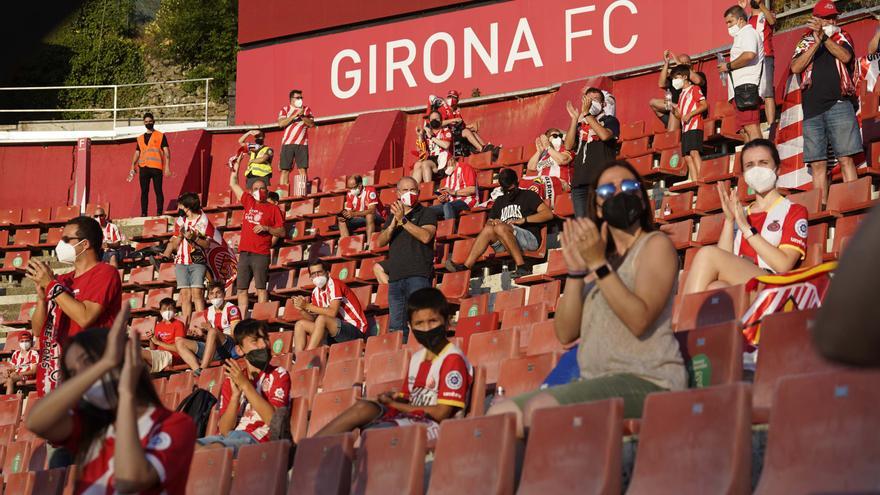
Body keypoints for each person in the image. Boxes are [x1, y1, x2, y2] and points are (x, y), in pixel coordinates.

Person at [486, 159, 686, 437]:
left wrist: (598, 265)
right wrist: (578, 272)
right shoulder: (598, 258)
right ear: (598, 206)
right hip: (596, 381)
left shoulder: (655, 246)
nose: (620, 194)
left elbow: (640, 320)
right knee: (500, 415)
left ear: (641, 194)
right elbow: (566, 332)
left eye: (628, 186)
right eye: (608, 191)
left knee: (542, 409)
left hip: (649, 379)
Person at [27, 306, 196, 494]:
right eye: (74, 373)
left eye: (88, 362)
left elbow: (130, 480)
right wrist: (104, 364)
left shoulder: (174, 424)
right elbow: (36, 422)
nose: (84, 376)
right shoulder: (89, 423)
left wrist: (125, 394)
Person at [314, 287, 472, 439]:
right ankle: (304, 450)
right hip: (413, 417)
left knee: (376, 432)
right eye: (419, 324)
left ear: (447, 322)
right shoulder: (418, 358)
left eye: (433, 321)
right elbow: (407, 398)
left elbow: (441, 413)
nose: (426, 329)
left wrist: (394, 405)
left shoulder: (452, 359)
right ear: (410, 326)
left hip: (437, 426)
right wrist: (390, 398)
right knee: (364, 408)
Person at [683, 139, 808, 294]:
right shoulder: (739, 212)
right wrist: (729, 221)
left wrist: (747, 229)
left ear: (777, 169)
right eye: (750, 165)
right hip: (742, 285)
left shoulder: (793, 210)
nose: (756, 170)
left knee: (707, 253)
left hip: (772, 284)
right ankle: (690, 315)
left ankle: (681, 315)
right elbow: (724, 259)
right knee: (715, 288)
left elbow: (783, 265)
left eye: (763, 163)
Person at [26, 216, 123, 395]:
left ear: (85, 244)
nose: (60, 245)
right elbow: (38, 331)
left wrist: (52, 287)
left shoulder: (105, 273)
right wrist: (41, 299)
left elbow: (84, 317)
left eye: (66, 240)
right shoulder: (62, 280)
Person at [790, 0, 862, 205]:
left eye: (833, 17)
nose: (831, 20)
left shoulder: (842, 35)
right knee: (818, 164)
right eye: (826, 17)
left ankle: (853, 205)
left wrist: (825, 39)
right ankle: (820, 211)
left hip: (840, 104)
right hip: (812, 110)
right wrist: (815, 42)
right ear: (816, 18)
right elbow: (795, 67)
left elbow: (846, 56)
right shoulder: (804, 41)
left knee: (846, 158)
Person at [196, 319, 291, 454]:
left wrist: (245, 385)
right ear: (240, 350)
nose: (263, 345)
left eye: (265, 339)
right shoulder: (232, 380)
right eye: (255, 341)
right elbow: (224, 430)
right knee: (187, 448)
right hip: (228, 438)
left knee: (214, 451)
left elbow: (274, 420)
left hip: (258, 441)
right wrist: (235, 397)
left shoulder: (278, 374)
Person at [446, 168, 553, 278]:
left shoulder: (528, 195)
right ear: (502, 188)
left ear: (517, 183)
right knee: (489, 229)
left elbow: (548, 214)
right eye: (507, 190)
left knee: (500, 228)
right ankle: (466, 267)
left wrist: (524, 220)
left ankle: (522, 266)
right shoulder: (500, 200)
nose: (510, 193)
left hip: (529, 239)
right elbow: (489, 223)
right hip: (505, 240)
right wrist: (493, 222)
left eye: (512, 189)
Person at [376, 177, 438, 339]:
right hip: (396, 279)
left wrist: (403, 221)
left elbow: (426, 236)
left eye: (413, 190)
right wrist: (393, 224)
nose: (409, 193)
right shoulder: (392, 217)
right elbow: (380, 242)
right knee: (396, 328)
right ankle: (400, 360)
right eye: (405, 190)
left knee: (422, 319)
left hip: (418, 275)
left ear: (419, 192)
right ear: (398, 193)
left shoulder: (427, 213)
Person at [229, 160, 286, 316]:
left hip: (261, 253)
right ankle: (242, 319)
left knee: (261, 288)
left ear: (267, 191)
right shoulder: (249, 201)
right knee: (241, 289)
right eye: (255, 188)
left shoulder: (273, 209)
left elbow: (282, 232)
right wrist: (236, 167)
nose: (259, 191)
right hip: (245, 252)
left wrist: (267, 228)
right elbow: (233, 184)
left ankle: (262, 316)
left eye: (262, 188)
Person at [565, 87, 620, 219]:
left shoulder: (610, 120)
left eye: (595, 100)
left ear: (603, 104)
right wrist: (574, 119)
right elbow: (568, 145)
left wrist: (587, 114)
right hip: (580, 184)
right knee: (585, 227)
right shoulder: (580, 125)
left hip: (602, 180)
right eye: (588, 100)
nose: (591, 103)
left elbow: (605, 135)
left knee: (606, 220)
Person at [292, 260, 368, 351]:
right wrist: (302, 309)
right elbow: (314, 319)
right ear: (310, 277)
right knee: (300, 324)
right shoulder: (315, 292)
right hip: (334, 331)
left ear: (327, 273)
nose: (317, 276)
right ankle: (298, 359)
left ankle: (307, 355)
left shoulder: (334, 284)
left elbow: (332, 313)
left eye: (319, 272)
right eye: (313, 274)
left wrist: (307, 305)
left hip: (354, 330)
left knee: (322, 319)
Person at [162, 192, 212, 324]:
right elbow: (175, 241)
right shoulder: (180, 221)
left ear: (187, 206)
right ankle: (187, 325)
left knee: (197, 293)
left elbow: (207, 243)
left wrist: (194, 238)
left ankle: (202, 324)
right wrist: (169, 248)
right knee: (185, 295)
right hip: (181, 261)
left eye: (181, 205)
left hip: (197, 260)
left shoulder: (203, 220)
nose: (179, 207)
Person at [719, 5, 765, 143]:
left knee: (751, 127)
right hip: (740, 89)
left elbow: (750, 54)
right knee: (745, 130)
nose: (728, 26)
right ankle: (751, 160)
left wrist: (728, 65)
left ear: (740, 19)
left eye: (730, 22)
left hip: (747, 87)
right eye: (726, 23)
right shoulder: (741, 35)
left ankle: (761, 159)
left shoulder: (748, 32)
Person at [739, 0, 778, 125]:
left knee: (768, 93)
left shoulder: (767, 14)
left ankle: (771, 124)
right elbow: (739, 32)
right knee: (753, 92)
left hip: (766, 57)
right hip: (751, 60)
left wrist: (761, 4)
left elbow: (772, 21)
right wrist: (741, 9)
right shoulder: (747, 18)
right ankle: (756, 123)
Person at [649, 52, 707, 131]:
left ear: (691, 64)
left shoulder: (699, 75)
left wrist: (681, 66)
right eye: (682, 64)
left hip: (691, 110)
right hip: (676, 108)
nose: (683, 65)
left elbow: (698, 80)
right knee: (653, 102)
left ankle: (673, 132)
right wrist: (666, 63)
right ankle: (672, 123)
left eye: (686, 63)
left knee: (675, 111)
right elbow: (661, 84)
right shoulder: (675, 80)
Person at [670, 64, 709, 181]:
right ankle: (695, 180)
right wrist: (673, 109)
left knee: (694, 152)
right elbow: (680, 116)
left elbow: (704, 105)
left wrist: (690, 114)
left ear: (685, 77)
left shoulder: (694, 89)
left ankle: (702, 178)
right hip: (685, 128)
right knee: (687, 157)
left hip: (695, 125)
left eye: (676, 78)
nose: (674, 81)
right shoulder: (681, 94)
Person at [129, 113, 171, 217]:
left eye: (150, 121)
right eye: (146, 122)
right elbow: (137, 153)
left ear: (154, 121)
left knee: (158, 190)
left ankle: (159, 212)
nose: (148, 123)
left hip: (156, 168)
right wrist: (132, 166)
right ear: (144, 123)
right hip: (143, 167)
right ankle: (144, 213)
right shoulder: (140, 138)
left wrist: (167, 167)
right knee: (144, 192)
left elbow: (167, 152)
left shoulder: (160, 135)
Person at [277, 89, 315, 187]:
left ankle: (302, 192)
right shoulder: (285, 109)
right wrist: (294, 115)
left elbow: (311, 124)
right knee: (285, 170)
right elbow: (281, 124)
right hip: (287, 143)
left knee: (302, 169)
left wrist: (302, 115)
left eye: (301, 98)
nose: (300, 99)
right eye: (298, 98)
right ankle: (283, 193)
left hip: (302, 143)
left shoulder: (306, 109)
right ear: (291, 99)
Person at [437, 90, 494, 154]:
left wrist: (471, 126)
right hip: (446, 134)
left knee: (472, 131)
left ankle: (484, 147)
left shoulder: (456, 112)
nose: (451, 99)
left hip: (455, 132)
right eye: (449, 96)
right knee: (466, 132)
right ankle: (480, 149)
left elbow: (462, 127)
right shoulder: (442, 109)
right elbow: (438, 124)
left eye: (453, 97)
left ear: (457, 100)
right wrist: (453, 120)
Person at [142, 298, 185, 374]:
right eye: (164, 309)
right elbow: (153, 349)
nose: (167, 311)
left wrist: (158, 342)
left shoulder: (179, 324)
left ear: (175, 311)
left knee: (137, 353)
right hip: (159, 355)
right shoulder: (158, 326)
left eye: (170, 309)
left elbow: (179, 348)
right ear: (160, 311)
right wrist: (151, 339)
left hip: (172, 356)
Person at [428, 156, 479, 220]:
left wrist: (453, 192)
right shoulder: (448, 174)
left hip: (467, 201)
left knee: (447, 206)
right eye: (444, 167)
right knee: (428, 211)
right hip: (451, 203)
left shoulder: (465, 167)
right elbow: (447, 194)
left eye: (446, 165)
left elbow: (472, 189)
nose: (445, 168)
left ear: (451, 160)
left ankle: (449, 229)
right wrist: (443, 198)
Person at [338, 175, 385, 243]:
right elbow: (349, 210)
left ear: (360, 185)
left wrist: (354, 214)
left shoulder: (370, 190)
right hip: (360, 217)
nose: (351, 190)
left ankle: (369, 243)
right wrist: (344, 215)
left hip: (377, 216)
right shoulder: (349, 194)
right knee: (341, 220)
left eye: (353, 188)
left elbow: (372, 210)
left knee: (369, 215)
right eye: (349, 188)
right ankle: (346, 245)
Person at [412, 111, 453, 183]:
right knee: (417, 164)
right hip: (432, 160)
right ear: (429, 121)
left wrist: (431, 137)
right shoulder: (426, 133)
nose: (434, 121)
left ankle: (428, 189)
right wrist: (420, 136)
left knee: (425, 163)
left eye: (436, 119)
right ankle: (413, 190)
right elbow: (420, 150)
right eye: (432, 119)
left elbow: (446, 145)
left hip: (443, 161)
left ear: (440, 120)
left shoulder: (446, 131)